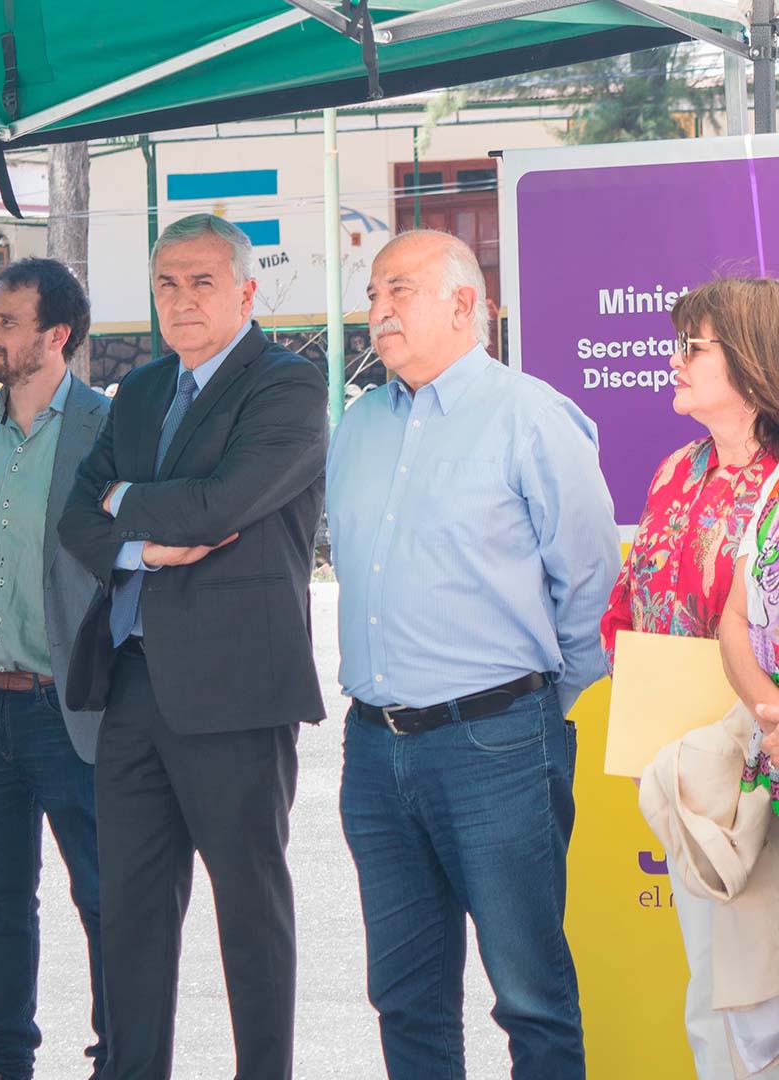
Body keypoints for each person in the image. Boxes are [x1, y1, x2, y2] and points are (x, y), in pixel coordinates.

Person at [327, 230, 621, 1080]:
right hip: (375, 748)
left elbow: (589, 586)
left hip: (495, 741)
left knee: (528, 993)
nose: (376, 310)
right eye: (373, 293)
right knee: (406, 996)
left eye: (399, 291)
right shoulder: (357, 427)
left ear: (465, 305)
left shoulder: (532, 416)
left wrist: (535, 708)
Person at [58, 213, 328, 1080]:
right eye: (166, 283)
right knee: (130, 912)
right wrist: (140, 542)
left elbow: (222, 506)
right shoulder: (139, 390)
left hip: (238, 690)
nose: (182, 300)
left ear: (247, 291)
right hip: (133, 685)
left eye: (202, 281)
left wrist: (123, 502)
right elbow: (75, 515)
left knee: (249, 911)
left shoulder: (286, 386)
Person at [602, 278, 779, 1080]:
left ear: (747, 361)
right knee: (711, 994)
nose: (672, 361)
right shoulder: (678, 470)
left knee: (763, 999)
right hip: (692, 771)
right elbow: (631, 601)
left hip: (765, 764)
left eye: (692, 347)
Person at [0, 257, 109, 1080]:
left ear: (56, 336)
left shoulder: (110, 429)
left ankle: (122, 1057)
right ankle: (4, 1064)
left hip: (70, 711)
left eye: (5, 323)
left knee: (106, 903)